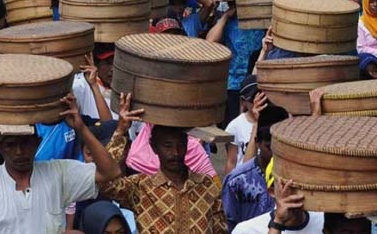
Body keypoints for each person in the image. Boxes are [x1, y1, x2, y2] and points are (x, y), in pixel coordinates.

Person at [0, 96, 122, 233]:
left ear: (37, 143)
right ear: (1, 148)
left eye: (25, 143)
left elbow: (110, 172)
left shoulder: (57, 173)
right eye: (11, 145)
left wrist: (80, 127)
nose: (19, 152)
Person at [99, 95, 227, 233]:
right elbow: (105, 183)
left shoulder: (207, 186)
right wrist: (120, 131)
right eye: (167, 146)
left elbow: (220, 229)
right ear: (154, 147)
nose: (175, 153)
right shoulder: (140, 187)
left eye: (181, 145)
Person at [223, 94, 290, 232]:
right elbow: (227, 224)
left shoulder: (297, 179)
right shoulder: (236, 181)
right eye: (269, 147)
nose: (275, 153)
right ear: (257, 142)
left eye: (282, 147)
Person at [207, 5, 265, 126]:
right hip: (232, 84)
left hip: (255, 83)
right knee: (234, 126)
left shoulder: (261, 22)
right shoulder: (229, 23)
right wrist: (225, 16)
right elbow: (210, 42)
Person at [224, 75, 258, 174]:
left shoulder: (274, 121)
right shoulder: (235, 126)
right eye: (252, 100)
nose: (257, 102)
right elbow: (231, 161)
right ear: (243, 101)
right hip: (243, 178)